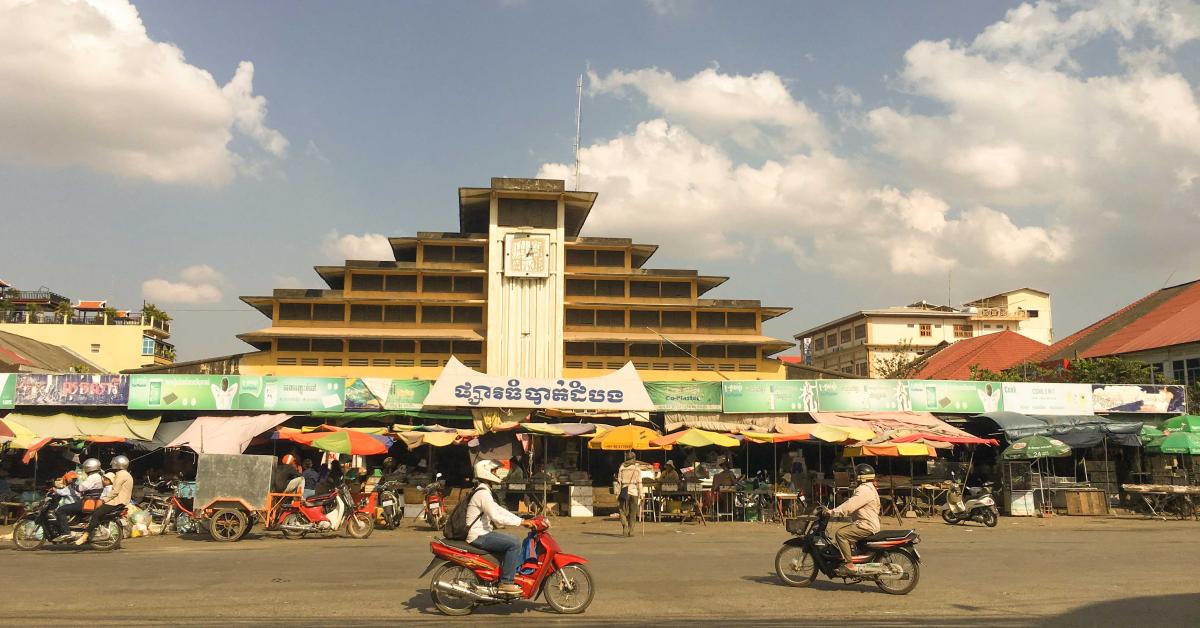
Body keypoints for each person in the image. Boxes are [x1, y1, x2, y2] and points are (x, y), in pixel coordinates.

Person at [465, 459, 535, 595]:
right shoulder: (483, 493)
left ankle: (501, 573)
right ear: (486, 472)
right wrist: (520, 523)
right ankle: (506, 582)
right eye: (494, 471)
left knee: (510, 539)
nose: (497, 473)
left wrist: (521, 520)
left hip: (482, 532)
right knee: (514, 544)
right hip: (479, 535)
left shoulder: (484, 490)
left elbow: (500, 510)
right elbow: (496, 517)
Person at [825, 463, 880, 574]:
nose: (853, 477)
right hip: (866, 523)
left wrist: (832, 512)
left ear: (861, 477)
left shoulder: (864, 490)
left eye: (855, 475)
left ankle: (849, 564)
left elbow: (850, 506)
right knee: (848, 530)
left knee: (841, 534)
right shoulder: (869, 488)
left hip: (866, 525)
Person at [78, 455, 132, 545]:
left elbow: (115, 491)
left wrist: (103, 500)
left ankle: (85, 535)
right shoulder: (126, 474)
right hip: (122, 501)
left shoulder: (120, 475)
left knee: (96, 513)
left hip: (117, 501)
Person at [51, 470, 85, 542]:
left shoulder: (69, 488)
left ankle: (66, 533)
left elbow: (60, 492)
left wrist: (53, 489)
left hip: (75, 505)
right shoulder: (79, 485)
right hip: (80, 504)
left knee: (60, 511)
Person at [616, 451, 644, 537]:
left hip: (624, 491)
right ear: (634, 459)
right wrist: (641, 494)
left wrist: (617, 493)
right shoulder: (637, 469)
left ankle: (625, 525)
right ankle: (631, 530)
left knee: (622, 510)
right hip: (634, 492)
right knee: (633, 512)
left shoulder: (622, 467)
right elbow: (639, 482)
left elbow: (619, 482)